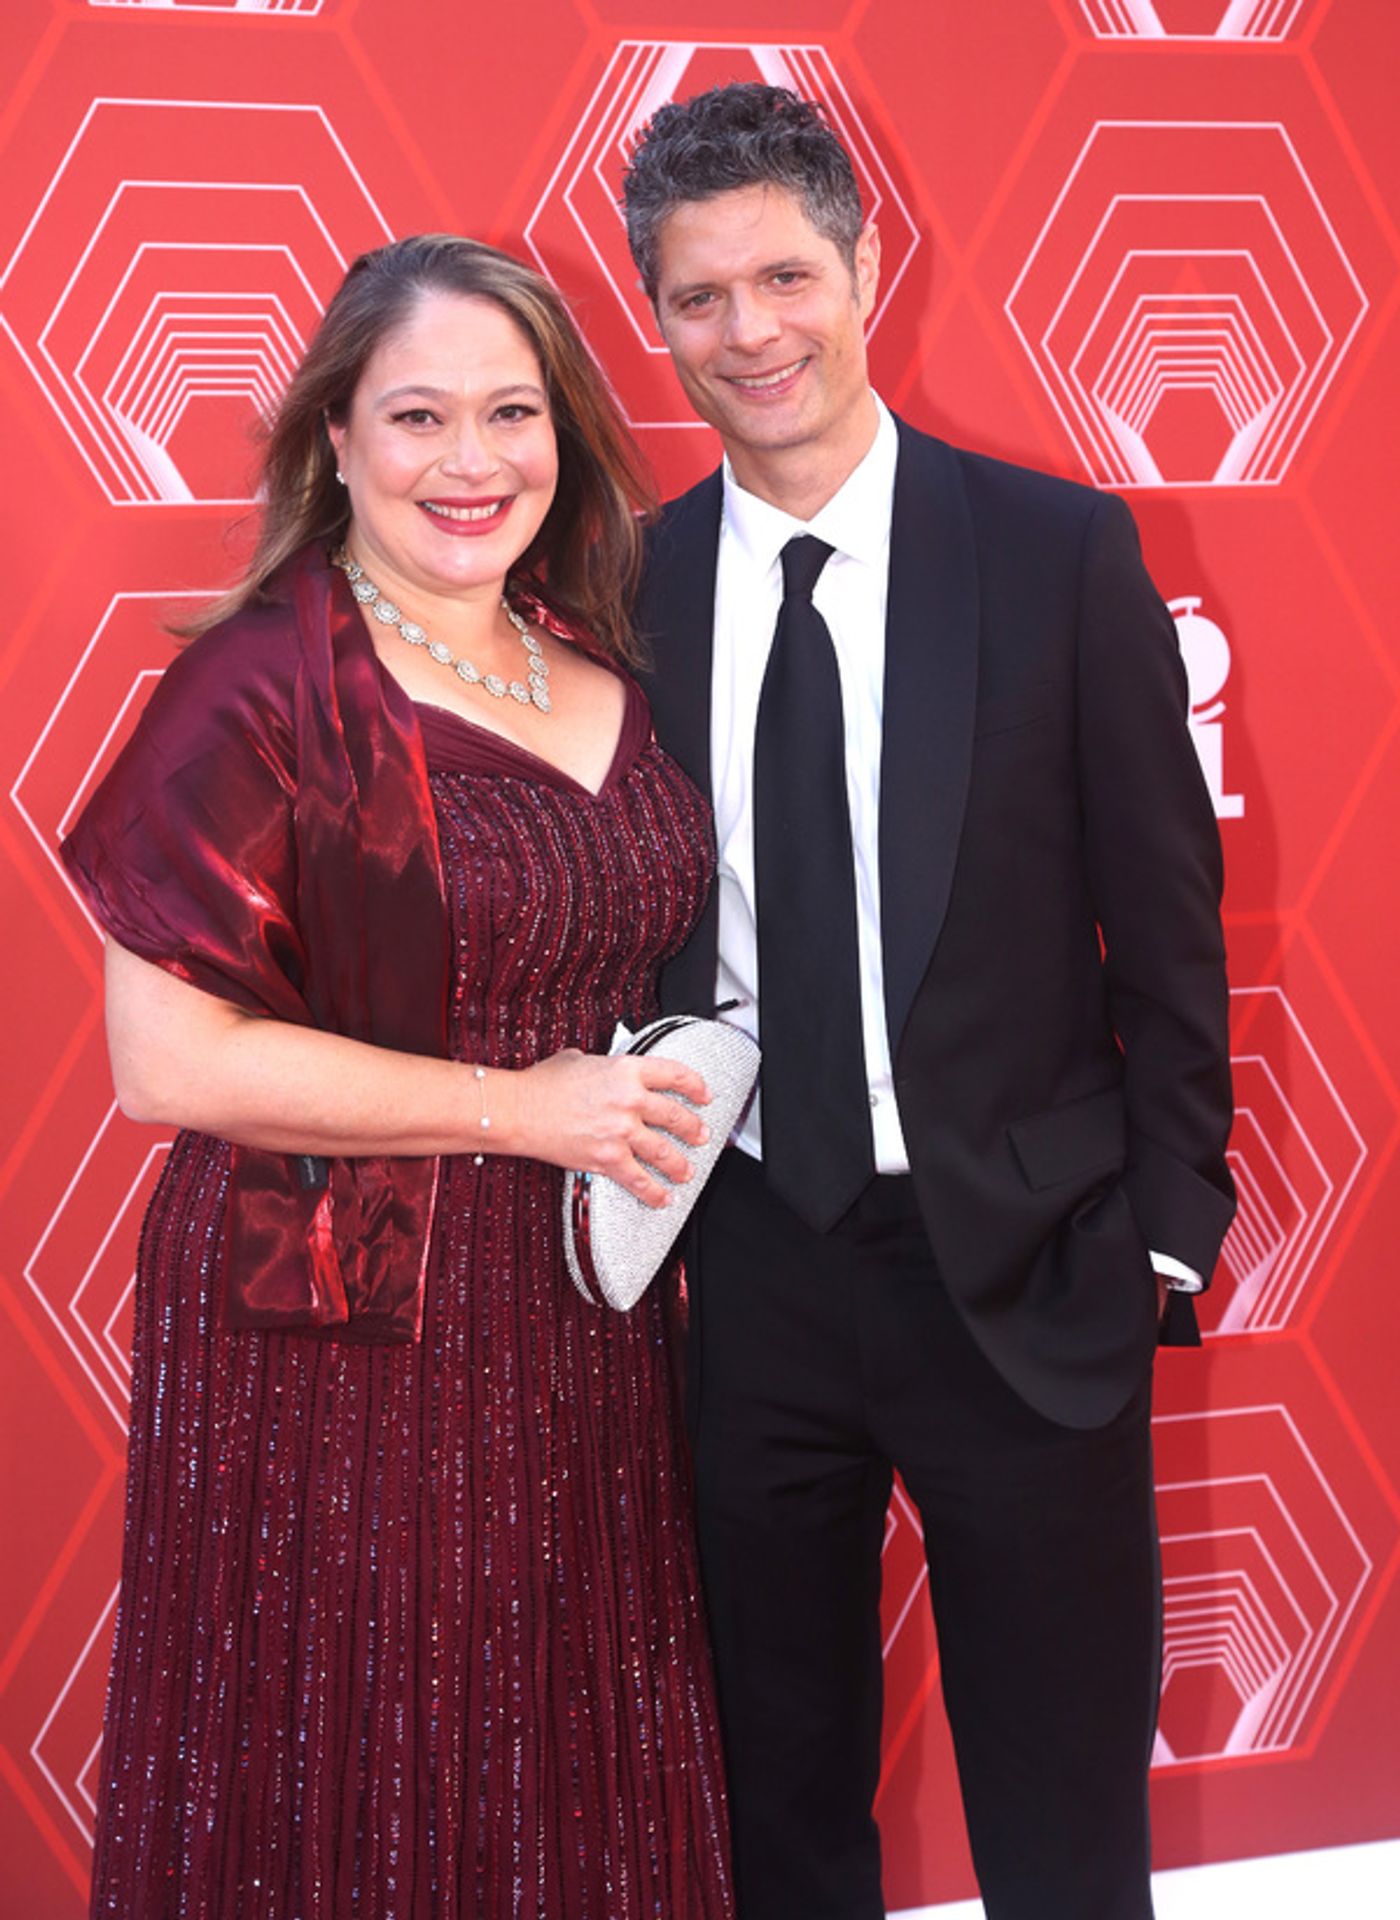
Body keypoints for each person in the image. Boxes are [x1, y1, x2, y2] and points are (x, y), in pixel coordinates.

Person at [63, 233, 733, 1919]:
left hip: (589, 1311)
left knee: (572, 1750)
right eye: (417, 416)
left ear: (564, 435)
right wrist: (524, 1111)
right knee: (368, 1763)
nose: (470, 461)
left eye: (511, 412)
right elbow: (166, 1065)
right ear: (336, 442)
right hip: (341, 1331)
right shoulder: (262, 683)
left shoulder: (600, 656)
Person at [621, 85, 1235, 1920]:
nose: (753, 334)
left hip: (1027, 1272)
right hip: (738, 1272)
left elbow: (1170, 927)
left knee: (1061, 1833)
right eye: (700, 296)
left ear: (868, 264)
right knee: (775, 1814)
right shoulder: (616, 587)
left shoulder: (1059, 555)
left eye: (786, 276)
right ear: (654, 313)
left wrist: (1164, 1239)